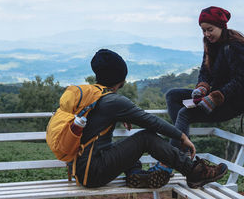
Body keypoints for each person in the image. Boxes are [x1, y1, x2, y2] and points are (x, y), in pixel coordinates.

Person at [73, 48, 228, 189]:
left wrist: (118, 116)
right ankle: (194, 171)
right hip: (92, 172)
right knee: (146, 137)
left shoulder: (91, 94)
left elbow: (97, 119)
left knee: (129, 145)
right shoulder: (113, 102)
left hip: (81, 167)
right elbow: (152, 122)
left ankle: (135, 173)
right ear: (120, 78)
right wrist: (181, 136)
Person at [165, 6, 244, 152]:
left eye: (210, 29)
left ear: (221, 26)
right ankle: (184, 148)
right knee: (172, 95)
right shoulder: (210, 44)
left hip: (233, 102)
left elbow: (240, 80)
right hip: (214, 95)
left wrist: (215, 97)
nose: (206, 34)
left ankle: (174, 159)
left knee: (184, 114)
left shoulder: (236, 47)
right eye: (203, 30)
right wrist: (202, 87)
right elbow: (205, 71)